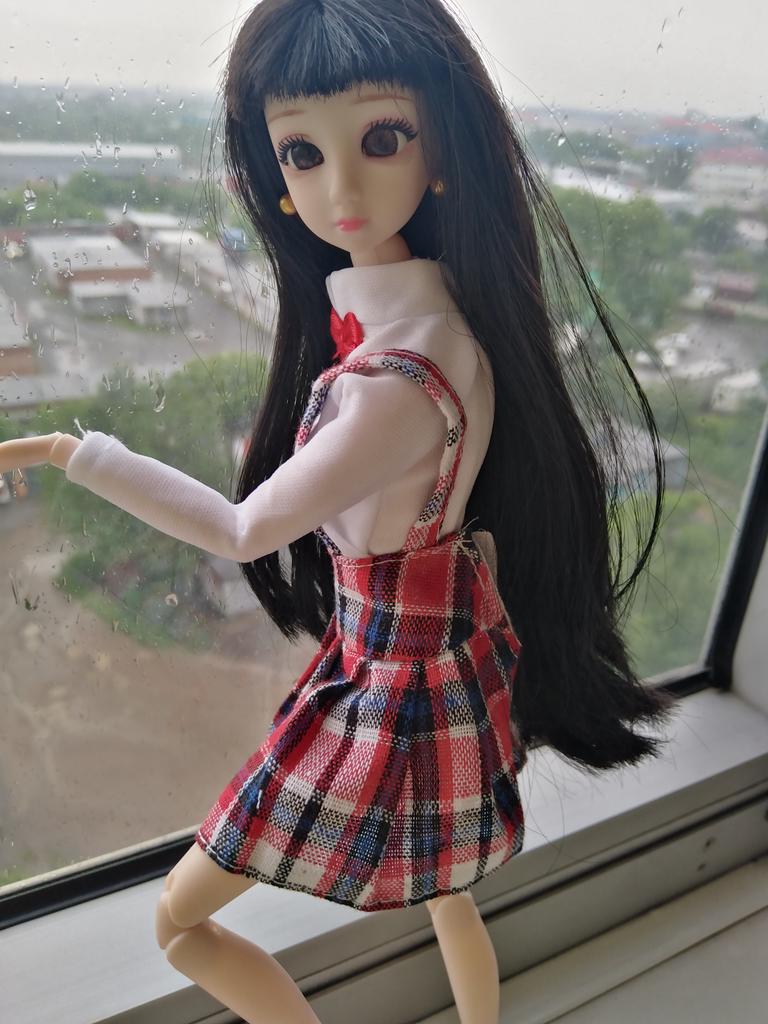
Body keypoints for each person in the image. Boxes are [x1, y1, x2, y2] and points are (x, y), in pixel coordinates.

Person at [0, 1, 678, 1021]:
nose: (342, 189)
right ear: (273, 175)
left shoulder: (393, 386)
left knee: (181, 922)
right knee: (447, 888)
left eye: (383, 138)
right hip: (440, 658)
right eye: (303, 153)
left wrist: (72, 453)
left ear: (442, 151)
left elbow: (242, 530)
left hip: (384, 688)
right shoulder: (455, 326)